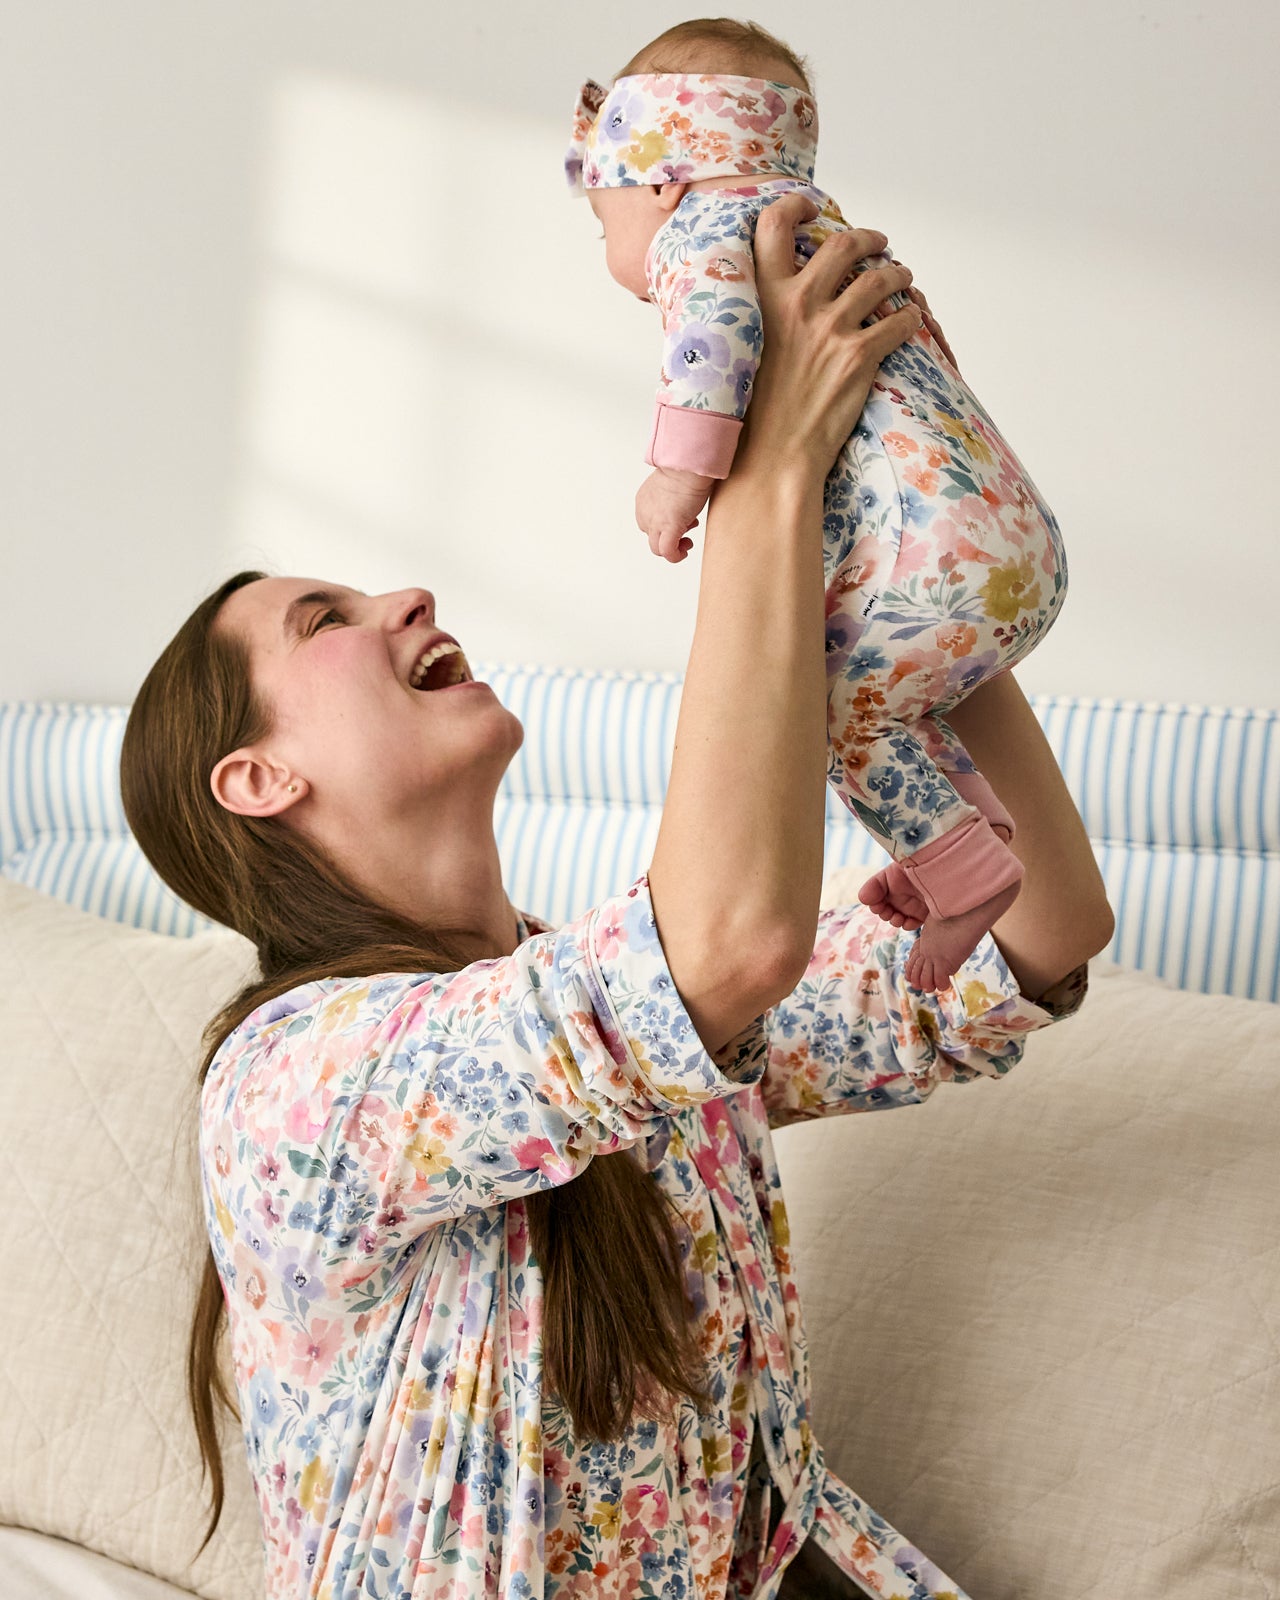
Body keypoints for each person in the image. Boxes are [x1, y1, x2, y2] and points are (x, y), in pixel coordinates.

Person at [120, 191, 1112, 1600]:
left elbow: (1040, 937)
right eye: (323, 620)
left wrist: (907, 567)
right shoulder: (294, 1087)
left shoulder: (646, 1036)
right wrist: (764, 480)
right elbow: (723, 944)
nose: (402, 596)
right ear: (256, 780)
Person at [567, 19, 1067, 994]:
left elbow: (709, 341)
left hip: (938, 565)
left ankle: (960, 868)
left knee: (827, 712)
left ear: (661, 178)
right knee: (885, 696)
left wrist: (679, 473)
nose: (612, 249)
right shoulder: (818, 231)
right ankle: (966, 831)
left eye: (603, 220)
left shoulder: (701, 235)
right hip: (1012, 544)